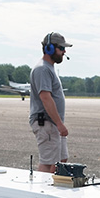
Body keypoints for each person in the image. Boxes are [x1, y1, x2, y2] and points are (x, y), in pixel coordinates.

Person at [29, 32, 72, 173]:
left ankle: (49, 189)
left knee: (60, 160)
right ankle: (41, 192)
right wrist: (59, 124)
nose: (64, 52)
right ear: (50, 49)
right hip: (46, 123)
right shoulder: (42, 69)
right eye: (61, 48)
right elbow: (45, 97)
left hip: (52, 124)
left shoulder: (49, 68)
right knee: (48, 164)